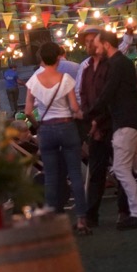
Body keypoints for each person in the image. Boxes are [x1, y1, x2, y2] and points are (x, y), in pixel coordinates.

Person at [87, 30, 137, 229]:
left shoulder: (115, 64)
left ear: (106, 44)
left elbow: (108, 92)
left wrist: (89, 114)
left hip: (125, 121)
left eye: (97, 45)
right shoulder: (123, 62)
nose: (96, 49)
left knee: (121, 168)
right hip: (134, 119)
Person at [25, 42, 90, 235]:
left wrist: (38, 126)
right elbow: (75, 108)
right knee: (75, 174)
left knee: (51, 177)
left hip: (46, 129)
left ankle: (53, 223)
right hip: (67, 126)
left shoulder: (33, 81)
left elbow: (28, 111)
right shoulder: (65, 79)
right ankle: (81, 220)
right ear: (58, 58)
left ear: (41, 59)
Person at [78, 27, 129, 227]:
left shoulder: (111, 66)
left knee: (121, 169)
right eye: (86, 42)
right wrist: (90, 121)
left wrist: (96, 121)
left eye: (92, 40)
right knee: (96, 172)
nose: (89, 44)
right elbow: (83, 95)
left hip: (112, 123)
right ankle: (92, 215)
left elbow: (109, 96)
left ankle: (124, 211)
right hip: (95, 126)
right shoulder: (86, 68)